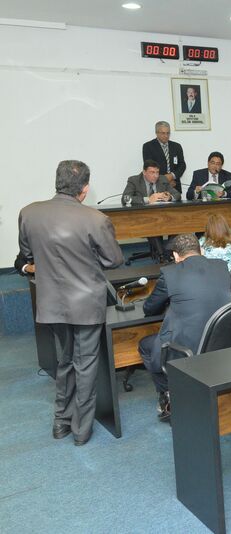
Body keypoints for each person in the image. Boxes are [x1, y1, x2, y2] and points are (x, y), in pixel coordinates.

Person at [18, 160, 124, 445]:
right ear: (85, 189)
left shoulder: (29, 213)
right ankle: (81, 430)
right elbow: (114, 260)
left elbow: (27, 255)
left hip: (51, 302)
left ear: (57, 181)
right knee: (85, 364)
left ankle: (61, 422)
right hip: (86, 304)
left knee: (65, 360)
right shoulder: (95, 219)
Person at [138, 233, 231, 421]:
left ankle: (168, 397)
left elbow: (149, 308)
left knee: (146, 346)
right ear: (201, 250)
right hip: (221, 341)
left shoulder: (169, 273)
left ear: (175, 255)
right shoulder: (222, 266)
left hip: (187, 346)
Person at [123, 160, 181, 262]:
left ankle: (167, 253)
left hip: (163, 217)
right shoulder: (134, 180)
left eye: (157, 172)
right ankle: (162, 255)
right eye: (152, 172)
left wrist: (169, 197)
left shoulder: (162, 179)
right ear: (144, 172)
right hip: (144, 218)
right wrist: (148, 199)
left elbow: (177, 194)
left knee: (178, 222)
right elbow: (125, 198)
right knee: (152, 223)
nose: (155, 175)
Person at [142, 121, 186, 194]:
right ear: (156, 133)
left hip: (175, 186)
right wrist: (165, 180)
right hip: (156, 187)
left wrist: (172, 176)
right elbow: (149, 167)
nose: (166, 136)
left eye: (168, 133)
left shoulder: (176, 146)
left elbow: (182, 165)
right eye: (163, 133)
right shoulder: (148, 146)